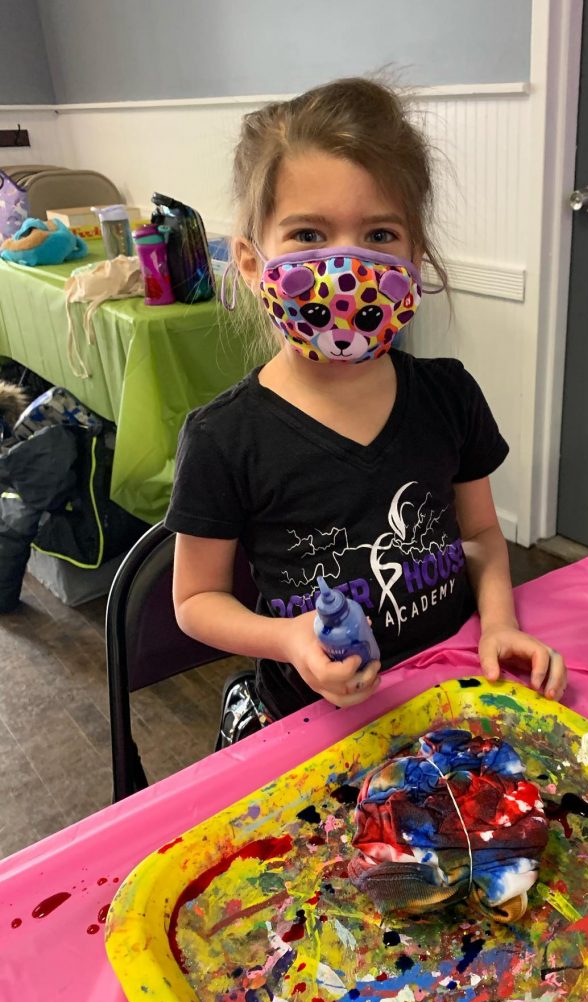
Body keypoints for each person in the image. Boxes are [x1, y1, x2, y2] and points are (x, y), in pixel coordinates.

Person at [165, 77, 566, 743]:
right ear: (249, 258)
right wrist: (287, 639)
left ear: (415, 255)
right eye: (308, 234)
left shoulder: (447, 395)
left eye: (379, 232)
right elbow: (195, 601)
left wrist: (499, 623)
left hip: (449, 691)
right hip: (316, 720)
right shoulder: (224, 437)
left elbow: (482, 538)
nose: (346, 266)